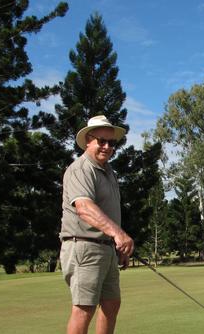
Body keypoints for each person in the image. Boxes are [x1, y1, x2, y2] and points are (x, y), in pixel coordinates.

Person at [59, 115, 134, 334]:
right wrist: (118, 235)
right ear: (88, 140)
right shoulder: (81, 169)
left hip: (106, 247)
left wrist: (116, 243)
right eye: (102, 141)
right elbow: (84, 207)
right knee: (84, 308)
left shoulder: (109, 172)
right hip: (84, 246)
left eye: (111, 143)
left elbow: (108, 212)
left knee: (112, 304)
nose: (107, 146)